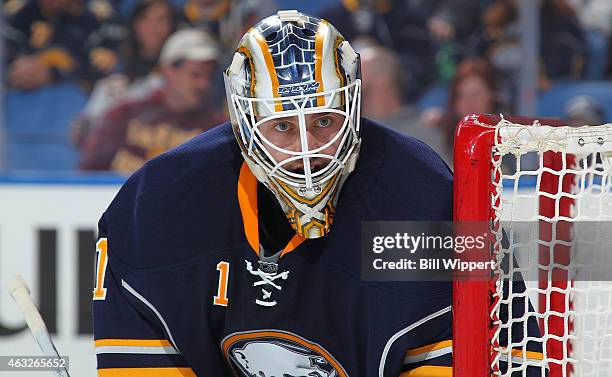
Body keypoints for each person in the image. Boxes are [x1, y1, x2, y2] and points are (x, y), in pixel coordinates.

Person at [92, 11, 543, 376]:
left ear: (352, 108)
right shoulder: (160, 208)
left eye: (324, 121)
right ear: (245, 124)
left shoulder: (422, 202)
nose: (307, 151)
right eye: (283, 126)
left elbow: (508, 356)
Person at [79, 28, 226, 173]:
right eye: (195, 75)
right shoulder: (123, 115)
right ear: (168, 70)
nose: (204, 84)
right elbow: (88, 175)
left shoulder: (217, 127)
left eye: (209, 76)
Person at [72, 0, 178, 148]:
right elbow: (81, 132)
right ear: (134, 24)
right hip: (120, 159)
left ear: (172, 25)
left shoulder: (182, 74)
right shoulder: (116, 76)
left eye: (161, 20)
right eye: (145, 19)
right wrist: (86, 127)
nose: (153, 27)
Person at [4, 0, 120, 90]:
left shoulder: (94, 17)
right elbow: (6, 46)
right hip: (16, 97)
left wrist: (54, 74)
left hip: (70, 98)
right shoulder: (20, 12)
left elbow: (102, 69)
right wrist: (14, 67)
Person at [359, 42, 447, 161]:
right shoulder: (347, 132)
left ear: (382, 80)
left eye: (357, 71)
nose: (347, 79)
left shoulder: (423, 134)